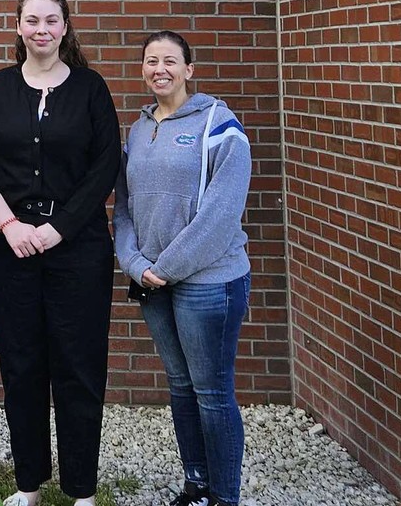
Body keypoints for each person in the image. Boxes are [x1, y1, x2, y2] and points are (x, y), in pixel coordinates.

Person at [0, 0, 121, 506]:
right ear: (19, 27)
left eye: (51, 20)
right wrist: (10, 226)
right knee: (22, 365)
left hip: (78, 249)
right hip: (9, 250)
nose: (42, 30)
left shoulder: (91, 89)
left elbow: (105, 168)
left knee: (79, 364)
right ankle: (28, 485)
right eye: (32, 20)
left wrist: (60, 229)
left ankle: (82, 491)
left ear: (65, 28)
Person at [113, 31, 252, 506]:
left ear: (189, 69)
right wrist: (134, 262)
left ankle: (223, 496)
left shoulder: (220, 124)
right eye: (151, 61)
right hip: (152, 280)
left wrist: (166, 267)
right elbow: (125, 207)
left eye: (170, 61)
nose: (160, 70)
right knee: (181, 386)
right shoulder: (137, 129)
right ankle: (196, 484)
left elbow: (222, 212)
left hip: (207, 281)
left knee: (212, 391)